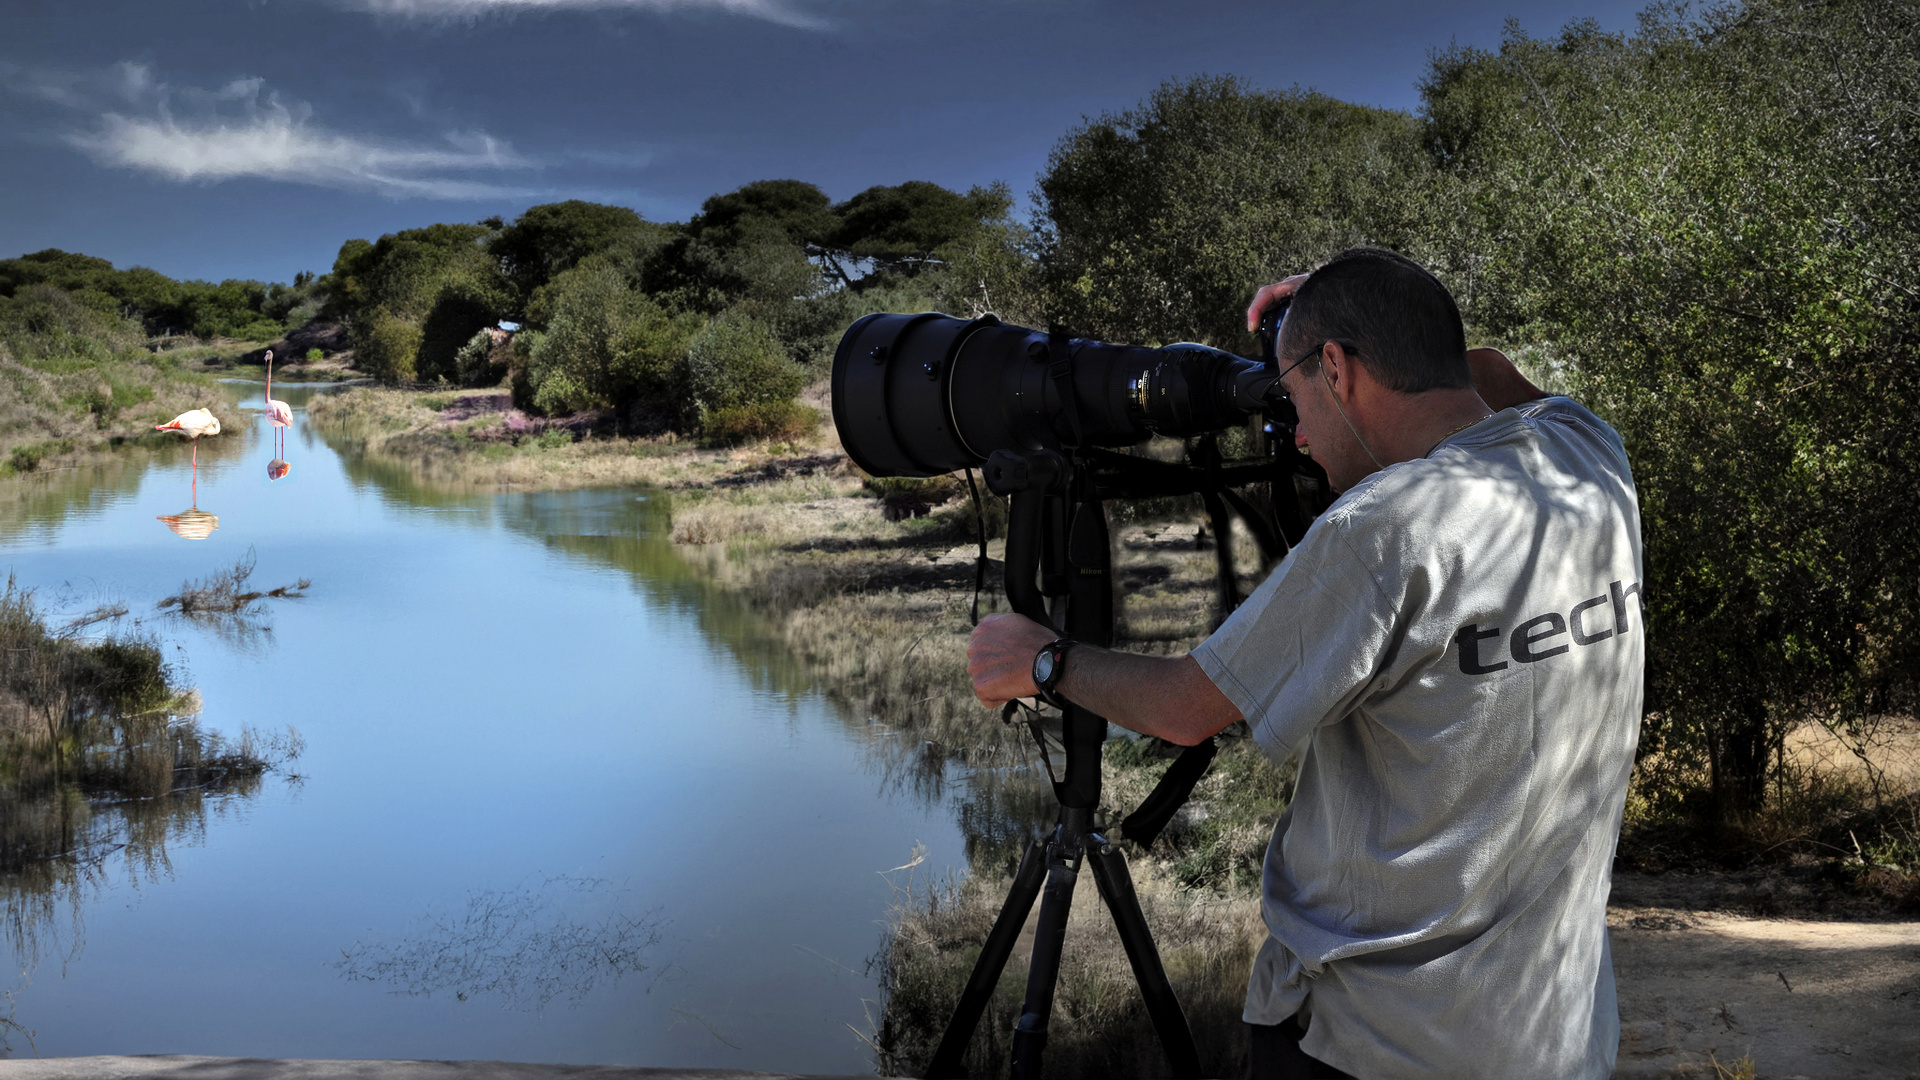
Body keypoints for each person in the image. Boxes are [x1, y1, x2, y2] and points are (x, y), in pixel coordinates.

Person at [968, 247, 1645, 1079]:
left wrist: (1043, 661)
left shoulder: (1382, 528)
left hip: (1377, 1045)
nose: (1296, 434)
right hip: (1555, 1036)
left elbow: (1188, 708)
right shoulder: (1587, 455)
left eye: (1293, 400)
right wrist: (1355, 311)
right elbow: (1488, 375)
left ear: (1337, 369)